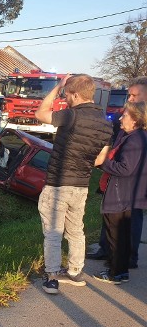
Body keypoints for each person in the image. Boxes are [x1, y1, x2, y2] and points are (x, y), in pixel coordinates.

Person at [34, 74, 112, 294]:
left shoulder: (71, 116)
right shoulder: (106, 125)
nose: (65, 98)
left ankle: (52, 277)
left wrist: (58, 86)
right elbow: (99, 160)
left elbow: (40, 114)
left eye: (67, 94)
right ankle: (76, 272)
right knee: (76, 230)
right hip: (81, 186)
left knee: (53, 231)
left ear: (75, 94)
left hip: (58, 184)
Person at [87, 76, 147, 268]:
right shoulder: (131, 114)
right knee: (112, 213)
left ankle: (128, 258)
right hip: (118, 180)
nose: (129, 98)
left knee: (131, 220)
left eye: (134, 95)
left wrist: (104, 163)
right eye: (129, 94)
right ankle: (108, 250)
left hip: (134, 184)